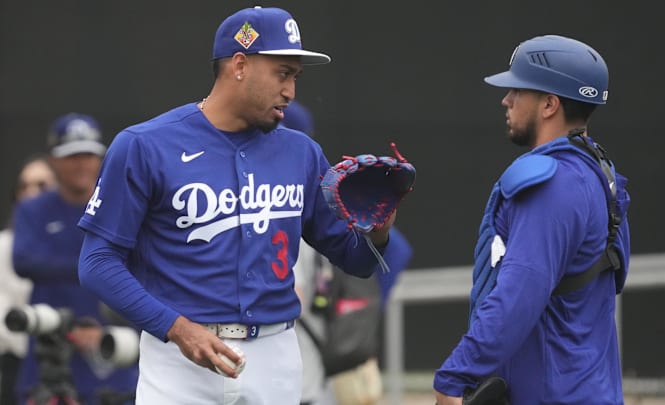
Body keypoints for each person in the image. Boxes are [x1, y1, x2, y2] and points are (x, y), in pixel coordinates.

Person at [75, 6, 401, 405]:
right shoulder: (145, 145)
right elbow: (97, 262)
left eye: (295, 77)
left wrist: (378, 229)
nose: (291, 91)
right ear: (241, 65)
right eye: (282, 73)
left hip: (276, 352)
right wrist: (175, 327)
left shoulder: (301, 152)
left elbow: (357, 261)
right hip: (179, 358)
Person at [434, 35, 631, 404]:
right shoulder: (598, 174)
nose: (505, 100)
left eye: (517, 90)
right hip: (589, 388)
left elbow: (517, 297)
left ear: (549, 104)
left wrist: (455, 375)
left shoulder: (550, 186)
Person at [282, 101, 414, 405]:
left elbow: (295, 296)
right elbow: (398, 251)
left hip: (299, 370)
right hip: (318, 367)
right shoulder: (315, 203)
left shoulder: (290, 205)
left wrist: (353, 314)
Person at [12, 113, 138, 405]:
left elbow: (138, 271)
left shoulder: (123, 208)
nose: (81, 164)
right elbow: (24, 261)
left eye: (88, 155)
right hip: (50, 347)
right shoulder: (33, 209)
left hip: (110, 347)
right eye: (71, 156)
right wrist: (101, 264)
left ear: (101, 159)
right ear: (53, 161)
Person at [0, 155, 57, 405]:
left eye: (42, 185)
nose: (32, 193)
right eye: (24, 186)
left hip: (67, 360)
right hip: (15, 362)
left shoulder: (76, 242)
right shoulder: (3, 245)